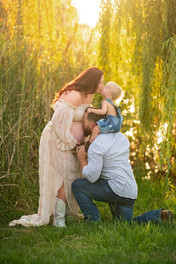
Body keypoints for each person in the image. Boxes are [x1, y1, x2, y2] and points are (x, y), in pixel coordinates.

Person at [9, 67, 104, 228]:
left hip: (72, 144)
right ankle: (58, 220)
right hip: (59, 140)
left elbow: (85, 120)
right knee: (63, 177)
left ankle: (67, 214)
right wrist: (72, 142)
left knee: (73, 176)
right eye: (100, 82)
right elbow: (59, 124)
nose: (102, 85)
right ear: (92, 81)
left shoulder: (88, 95)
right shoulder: (74, 95)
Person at [72, 110, 173, 224]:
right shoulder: (121, 137)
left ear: (92, 124)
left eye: (84, 121)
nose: (82, 124)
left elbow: (91, 177)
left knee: (78, 185)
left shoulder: (97, 144)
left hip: (115, 190)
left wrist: (82, 159)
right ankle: (159, 215)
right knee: (124, 225)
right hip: (129, 191)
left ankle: (92, 222)